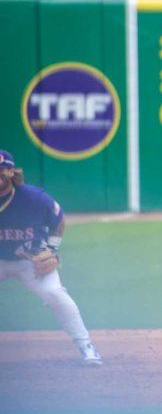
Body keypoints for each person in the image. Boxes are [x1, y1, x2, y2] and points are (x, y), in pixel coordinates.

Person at [0, 150, 102, 365]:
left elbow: (59, 219)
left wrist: (53, 248)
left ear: (10, 172)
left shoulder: (33, 198)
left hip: (30, 261)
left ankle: (86, 346)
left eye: (0, 170)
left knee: (55, 294)